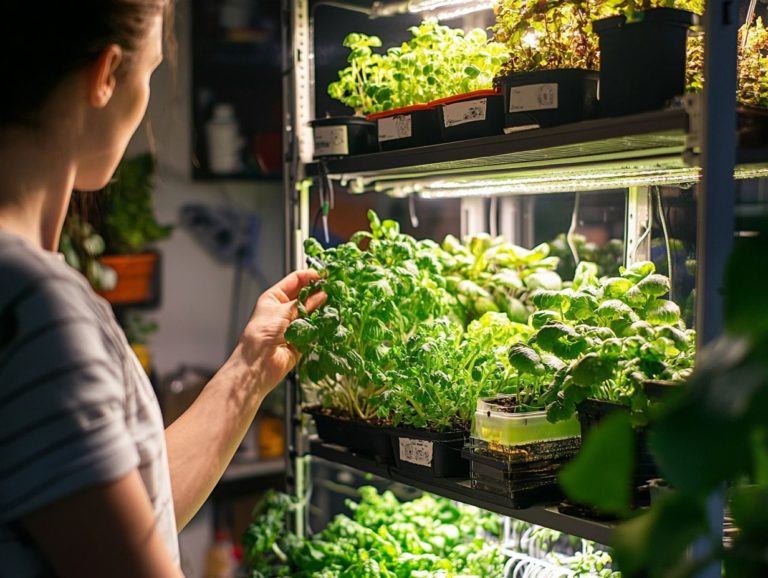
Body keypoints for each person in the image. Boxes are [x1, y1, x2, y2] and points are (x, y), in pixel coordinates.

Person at [0, 2, 324, 576]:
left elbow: (123, 517)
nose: (147, 98)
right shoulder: (35, 305)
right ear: (105, 76)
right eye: (151, 73)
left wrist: (250, 369)